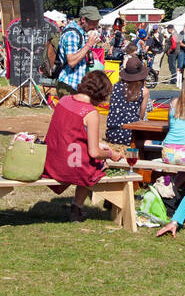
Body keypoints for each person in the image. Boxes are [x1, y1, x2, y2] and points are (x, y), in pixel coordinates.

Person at [43, 70, 127, 221]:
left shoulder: (64, 100)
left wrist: (99, 144)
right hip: (68, 167)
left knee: (92, 158)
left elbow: (70, 133)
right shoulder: (90, 112)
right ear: (101, 93)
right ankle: (77, 207)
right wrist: (110, 154)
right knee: (97, 163)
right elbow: (94, 152)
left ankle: (77, 208)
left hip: (50, 161)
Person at [105, 56, 150, 147]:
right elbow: (141, 116)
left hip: (112, 134)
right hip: (131, 134)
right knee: (150, 142)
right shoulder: (143, 91)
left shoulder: (115, 87)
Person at [57, 5, 102, 95]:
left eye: (97, 23)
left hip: (77, 84)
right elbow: (72, 62)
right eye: (93, 23)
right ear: (83, 20)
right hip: (68, 85)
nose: (95, 26)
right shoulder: (72, 34)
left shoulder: (81, 33)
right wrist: (89, 44)